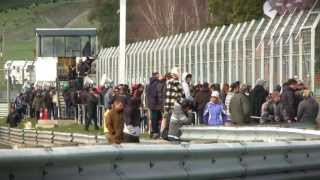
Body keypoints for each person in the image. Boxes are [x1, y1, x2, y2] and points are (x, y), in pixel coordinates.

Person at [162, 67, 184, 139]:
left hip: (168, 106)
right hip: (175, 105)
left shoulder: (168, 82)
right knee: (175, 122)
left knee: (168, 121)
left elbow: (168, 95)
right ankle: (173, 136)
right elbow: (182, 94)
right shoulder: (176, 82)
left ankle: (165, 135)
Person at [146, 72, 162, 139]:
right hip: (156, 104)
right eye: (158, 75)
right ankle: (155, 132)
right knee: (155, 118)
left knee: (153, 118)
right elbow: (156, 94)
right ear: (156, 76)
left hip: (151, 104)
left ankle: (153, 132)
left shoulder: (149, 84)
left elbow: (147, 94)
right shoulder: (156, 83)